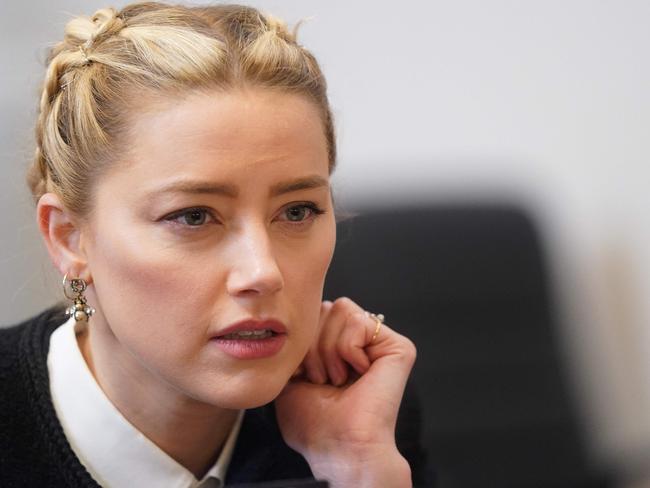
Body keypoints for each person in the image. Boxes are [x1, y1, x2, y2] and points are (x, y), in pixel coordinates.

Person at [0, 2, 423, 487]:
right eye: (194, 217)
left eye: (297, 211)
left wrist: (359, 467)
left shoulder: (356, 412)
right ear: (69, 237)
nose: (263, 272)